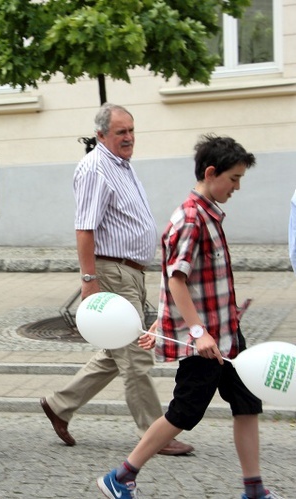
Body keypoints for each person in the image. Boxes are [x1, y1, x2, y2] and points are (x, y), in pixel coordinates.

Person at [96, 135, 280, 499]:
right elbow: (175, 278)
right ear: (211, 173)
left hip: (227, 333)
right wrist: (196, 332)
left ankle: (254, 489)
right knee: (185, 412)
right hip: (207, 342)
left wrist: (162, 322)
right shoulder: (192, 217)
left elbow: (181, 283)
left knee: (247, 404)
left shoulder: (208, 213)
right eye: (234, 178)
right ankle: (120, 476)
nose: (237, 187)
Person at [39, 103, 194, 456]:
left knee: (116, 351)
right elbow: (84, 228)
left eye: (131, 130)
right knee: (136, 356)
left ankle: (60, 404)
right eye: (120, 132)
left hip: (132, 272)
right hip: (112, 272)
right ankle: (155, 433)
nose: (128, 137)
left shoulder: (121, 165)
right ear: (101, 135)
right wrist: (89, 280)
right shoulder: (96, 168)